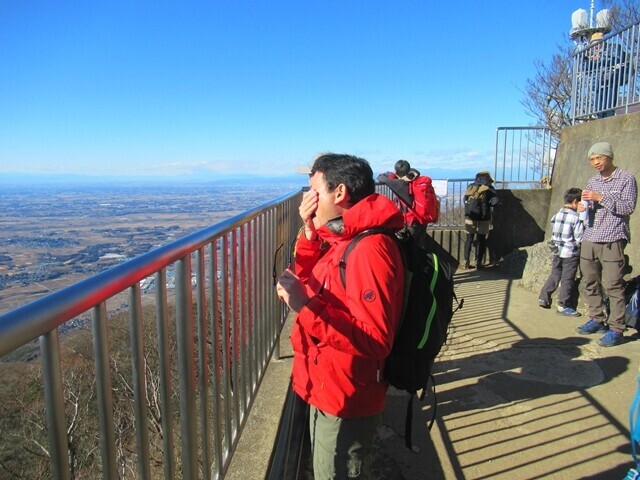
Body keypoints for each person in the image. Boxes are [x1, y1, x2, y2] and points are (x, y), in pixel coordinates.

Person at [276, 153, 405, 478]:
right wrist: (309, 233)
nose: (308, 201)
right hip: (328, 384)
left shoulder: (370, 250)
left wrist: (305, 306)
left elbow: (376, 339)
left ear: (340, 193)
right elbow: (318, 284)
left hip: (346, 396)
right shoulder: (345, 238)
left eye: (314, 192)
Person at [576, 142, 637, 347]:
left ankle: (616, 328)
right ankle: (596, 318)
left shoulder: (626, 179)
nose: (596, 163)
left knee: (613, 284)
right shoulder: (592, 180)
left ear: (609, 157)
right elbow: (591, 207)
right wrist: (583, 206)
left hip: (612, 237)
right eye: (592, 160)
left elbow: (628, 207)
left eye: (599, 158)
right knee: (589, 281)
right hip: (590, 235)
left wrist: (600, 197)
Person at [538, 188, 584, 316]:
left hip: (557, 250)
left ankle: (544, 297)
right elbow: (580, 237)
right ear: (575, 202)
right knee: (567, 279)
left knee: (555, 274)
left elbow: (554, 227)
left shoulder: (557, 215)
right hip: (570, 252)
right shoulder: (575, 217)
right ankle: (563, 305)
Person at [462, 170, 499, 269]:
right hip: (484, 217)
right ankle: (478, 262)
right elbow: (495, 202)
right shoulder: (489, 188)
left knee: (469, 239)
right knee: (481, 240)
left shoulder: (471, 186)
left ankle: (466, 261)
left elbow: (464, 199)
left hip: (470, 217)